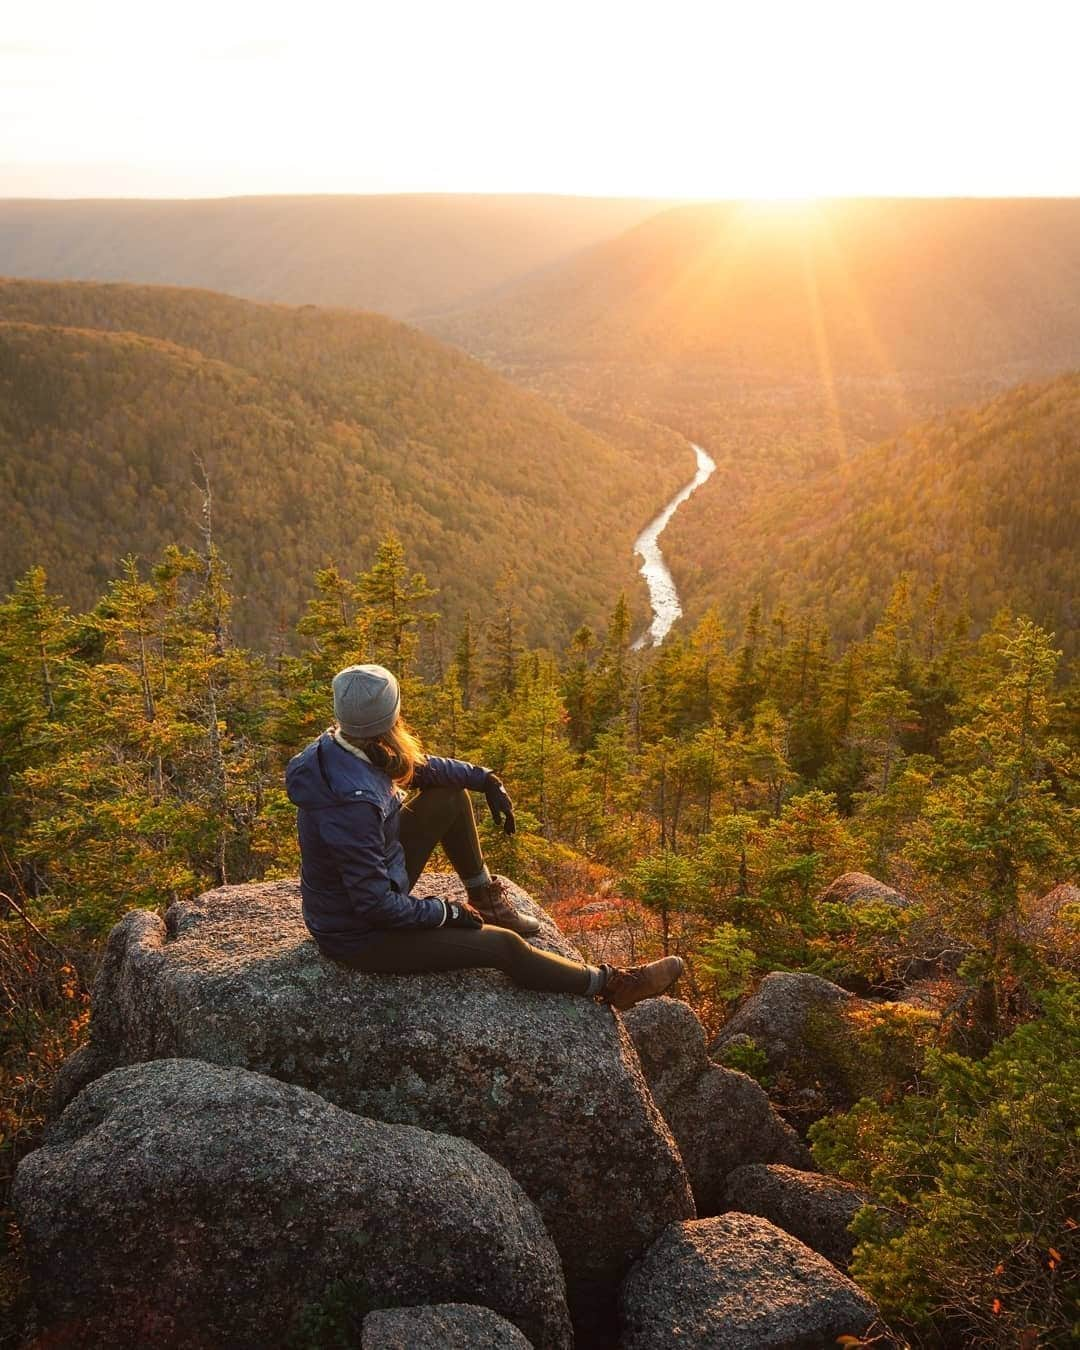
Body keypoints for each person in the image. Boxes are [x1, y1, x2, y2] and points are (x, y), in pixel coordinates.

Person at [285, 662, 684, 1010]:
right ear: (389, 721)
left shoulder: (344, 745)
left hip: (380, 874)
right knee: (503, 948)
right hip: (360, 934)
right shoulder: (351, 804)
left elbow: (420, 769)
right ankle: (611, 984)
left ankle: (485, 898)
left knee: (450, 797)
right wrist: (444, 912)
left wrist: (485, 780)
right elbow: (374, 906)